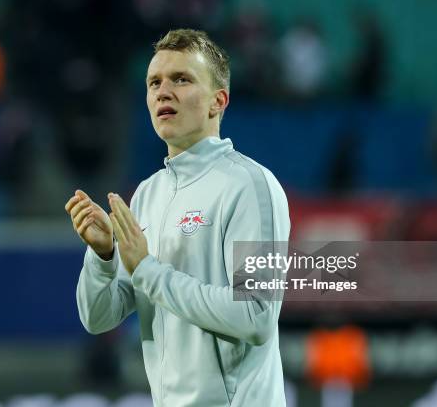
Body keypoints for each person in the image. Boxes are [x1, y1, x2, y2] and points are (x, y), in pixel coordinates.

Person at [65, 29, 290, 407]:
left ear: (218, 102)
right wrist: (103, 258)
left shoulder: (250, 186)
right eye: (154, 82)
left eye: (181, 79)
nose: (162, 91)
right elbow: (98, 318)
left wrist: (148, 270)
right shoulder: (148, 194)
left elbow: (255, 314)